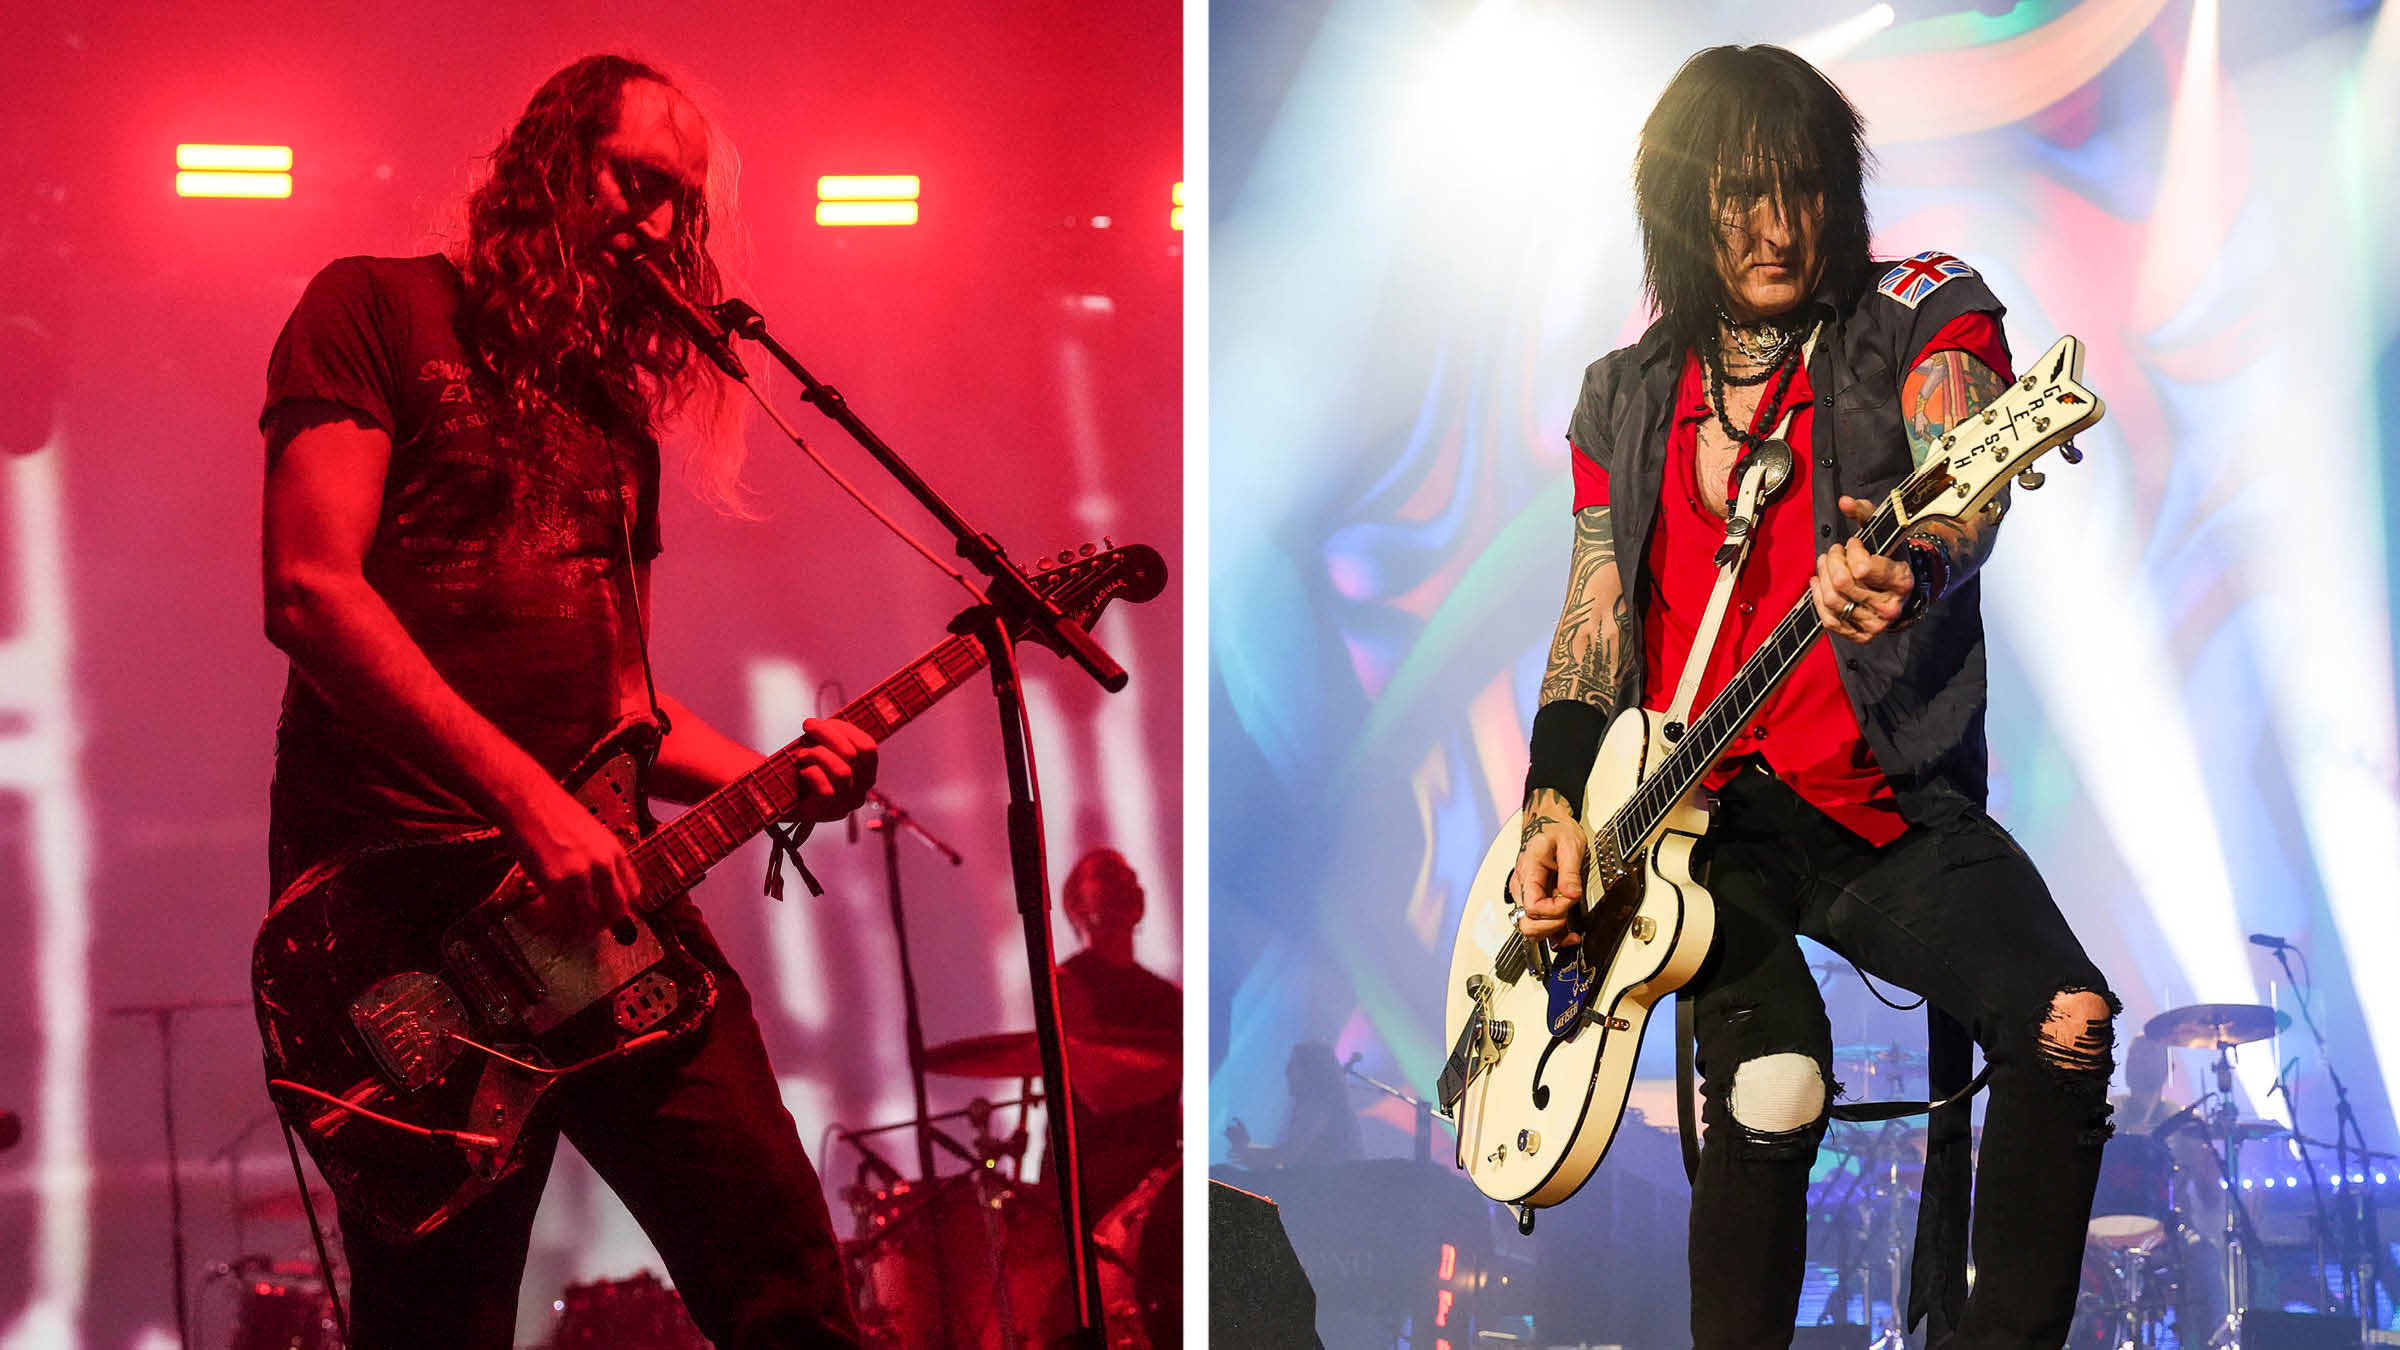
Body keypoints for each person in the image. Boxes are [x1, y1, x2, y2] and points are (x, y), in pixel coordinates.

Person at [259, 54, 875, 1349]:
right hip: (408, 937)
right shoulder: (371, 309)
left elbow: (627, 707)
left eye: (681, 207)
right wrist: (529, 803)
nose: (656, 225)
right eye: (634, 182)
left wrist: (771, 773)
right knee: (440, 1324)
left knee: (793, 1293)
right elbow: (312, 593)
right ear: (544, 162)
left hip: (605, 926)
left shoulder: (610, 418)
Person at [1508, 45, 2118, 1345]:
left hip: (1878, 797)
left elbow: (1966, 458)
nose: (1777, 227)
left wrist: (1921, 556)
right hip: (1694, 831)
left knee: (2066, 1018)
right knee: (1777, 1083)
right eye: (1738, 196)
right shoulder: (1623, 397)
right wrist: (1551, 803)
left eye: (1800, 190)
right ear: (1684, 205)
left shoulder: (1914, 309)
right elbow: (1592, 621)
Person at [1054, 847, 1182, 1218]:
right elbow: (1099, 1092)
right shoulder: (1065, 984)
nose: (1125, 882)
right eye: (1106, 874)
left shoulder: (1169, 997)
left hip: (1161, 1170)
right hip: (1094, 1174)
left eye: (1129, 875)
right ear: (1075, 906)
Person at [1222, 1040, 1364, 1170]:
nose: (1287, 1071)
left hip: (1329, 1191)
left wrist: (1246, 1149)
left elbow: (1288, 1155)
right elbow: (1290, 1158)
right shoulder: (1322, 1105)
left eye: (1293, 1066)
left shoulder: (1318, 1106)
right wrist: (1248, 1147)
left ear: (1312, 1071)